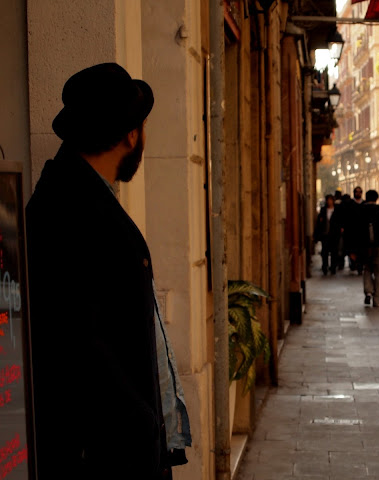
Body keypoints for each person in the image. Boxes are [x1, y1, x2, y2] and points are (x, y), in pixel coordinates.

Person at [26, 63, 191, 480]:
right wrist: (139, 424)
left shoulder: (74, 196)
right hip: (106, 456)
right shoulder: (73, 209)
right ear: (131, 134)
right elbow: (77, 340)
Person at [352, 190, 379, 307]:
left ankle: (368, 291)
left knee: (367, 269)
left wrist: (354, 249)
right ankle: (376, 299)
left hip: (364, 246)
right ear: (376, 199)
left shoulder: (360, 210)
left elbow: (355, 230)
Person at [314, 194, 342, 275]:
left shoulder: (337, 210)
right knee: (325, 252)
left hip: (334, 234)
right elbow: (319, 223)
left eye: (330, 200)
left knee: (334, 252)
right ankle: (325, 266)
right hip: (325, 234)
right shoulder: (323, 210)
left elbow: (340, 221)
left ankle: (333, 267)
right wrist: (317, 235)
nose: (329, 202)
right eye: (328, 200)